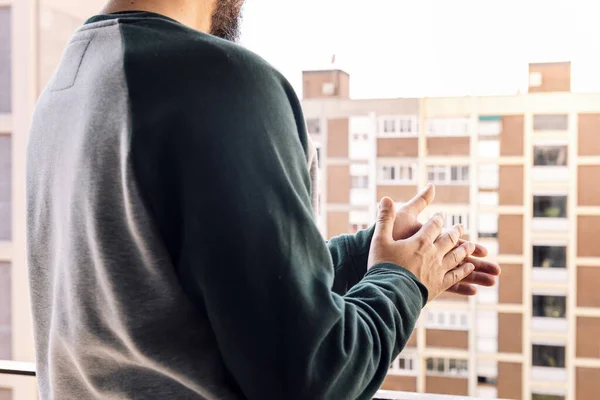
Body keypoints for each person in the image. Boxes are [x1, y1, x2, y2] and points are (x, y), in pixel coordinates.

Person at [26, 1, 501, 399]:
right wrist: (403, 281)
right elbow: (315, 375)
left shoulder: (66, 87)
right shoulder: (219, 80)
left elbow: (178, 297)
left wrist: (366, 255)